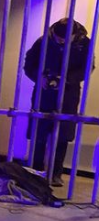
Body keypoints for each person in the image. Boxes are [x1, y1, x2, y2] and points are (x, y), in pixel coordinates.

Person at [24, 18, 94, 187]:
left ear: (74, 35)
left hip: (68, 95)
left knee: (62, 136)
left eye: (64, 40)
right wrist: (39, 77)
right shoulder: (44, 40)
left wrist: (67, 79)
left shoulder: (85, 44)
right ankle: (35, 172)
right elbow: (28, 64)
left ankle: (55, 174)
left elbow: (88, 67)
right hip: (44, 93)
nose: (60, 42)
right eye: (57, 39)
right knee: (39, 134)